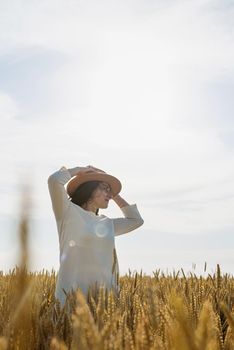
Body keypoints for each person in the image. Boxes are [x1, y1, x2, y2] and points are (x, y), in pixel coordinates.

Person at [47, 164, 144, 307]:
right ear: (89, 188)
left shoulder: (106, 223)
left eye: (109, 190)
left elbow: (136, 220)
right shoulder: (67, 212)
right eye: (104, 188)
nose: (109, 194)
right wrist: (79, 170)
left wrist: (114, 194)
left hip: (104, 303)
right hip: (71, 301)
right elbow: (54, 181)